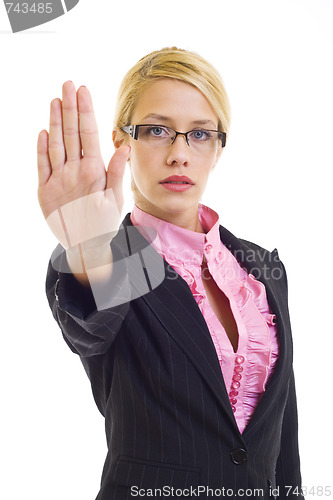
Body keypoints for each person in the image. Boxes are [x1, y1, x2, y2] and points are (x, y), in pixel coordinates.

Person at [37, 47, 303, 499]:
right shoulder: (118, 258)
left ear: (219, 147)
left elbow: (283, 440)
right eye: (157, 130)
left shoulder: (260, 270)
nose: (180, 154)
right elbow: (89, 330)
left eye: (200, 134)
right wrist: (88, 249)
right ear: (123, 141)